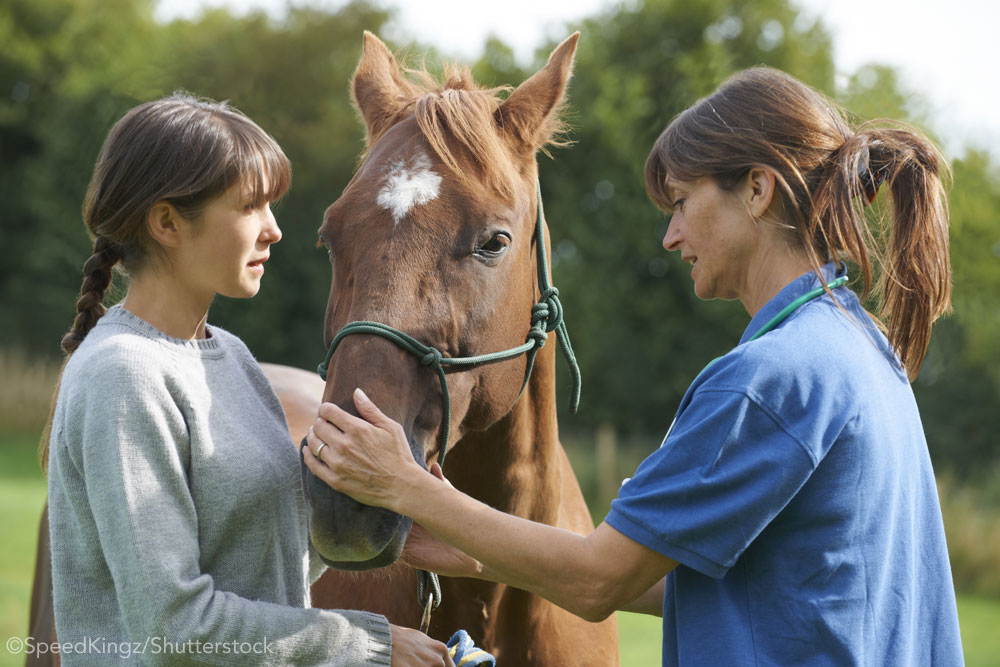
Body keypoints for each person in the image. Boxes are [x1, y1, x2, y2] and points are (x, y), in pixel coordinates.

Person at [303, 67, 964, 666]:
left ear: (757, 189)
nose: (671, 235)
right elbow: (730, 582)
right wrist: (481, 551)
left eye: (680, 203)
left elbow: (600, 579)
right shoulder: (862, 349)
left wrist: (409, 488)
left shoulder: (764, 382)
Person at [44, 94, 453, 666]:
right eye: (251, 207)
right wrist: (369, 645)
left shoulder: (230, 356)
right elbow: (175, 629)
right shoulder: (123, 374)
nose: (275, 231)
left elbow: (260, 563)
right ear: (166, 222)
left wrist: (399, 531)